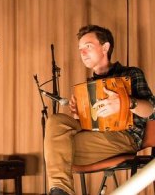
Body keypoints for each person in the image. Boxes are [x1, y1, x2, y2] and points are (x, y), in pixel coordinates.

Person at [44, 25, 155, 195]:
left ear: (105, 47)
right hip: (94, 136)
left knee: (57, 150)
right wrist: (79, 116)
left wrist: (126, 103)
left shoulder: (131, 73)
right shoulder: (88, 86)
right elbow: (89, 125)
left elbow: (152, 111)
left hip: (125, 137)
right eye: (80, 49)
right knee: (56, 121)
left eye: (88, 46)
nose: (82, 53)